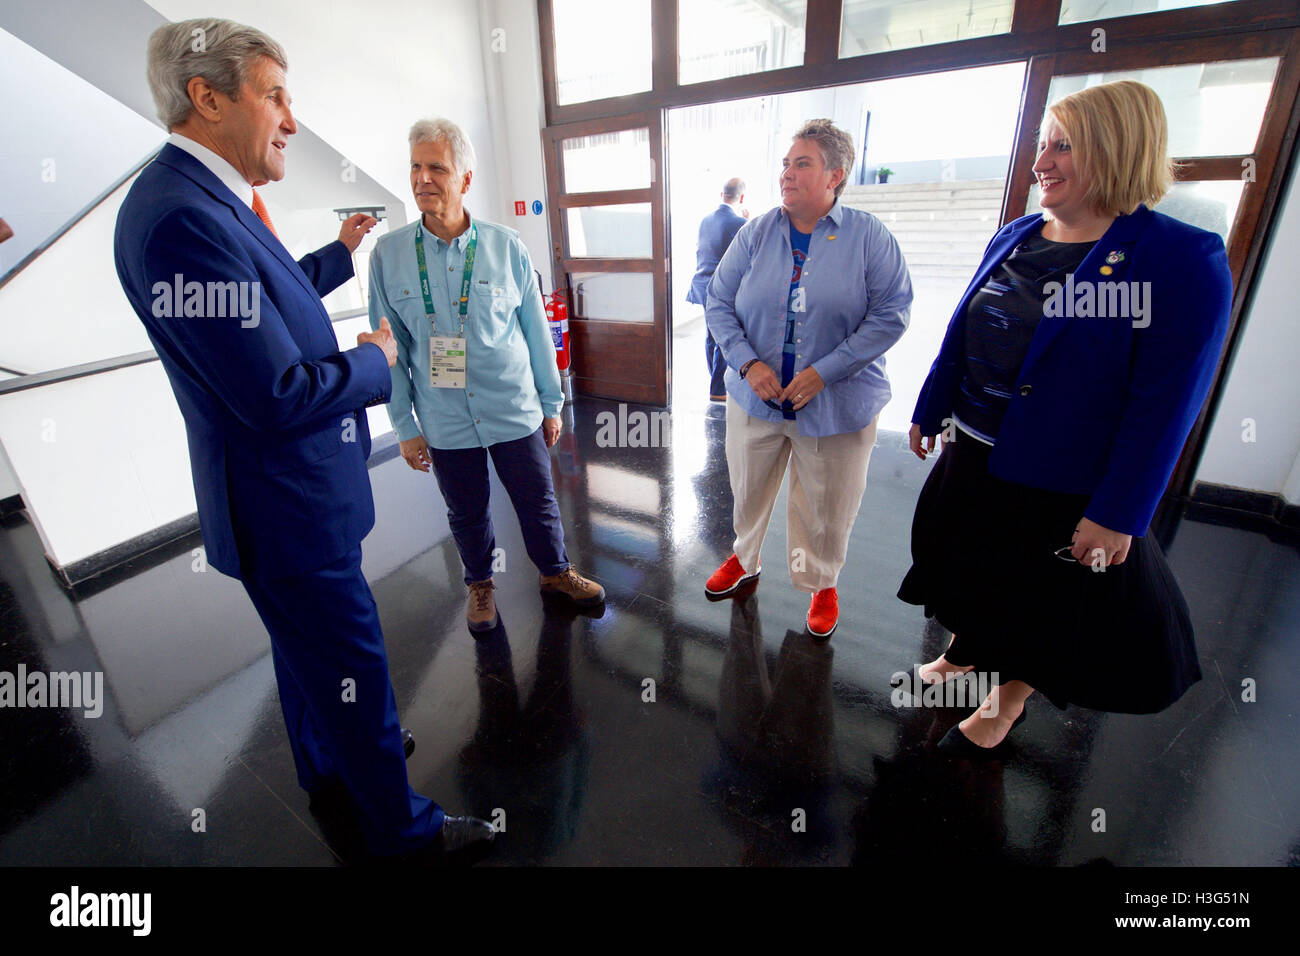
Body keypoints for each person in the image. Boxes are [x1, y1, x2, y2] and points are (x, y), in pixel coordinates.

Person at [113, 18, 494, 859]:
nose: (291, 118)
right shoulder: (181, 220)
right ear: (207, 99)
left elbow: (275, 298)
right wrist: (375, 361)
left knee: (303, 651)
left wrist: (341, 252)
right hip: (284, 502)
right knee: (349, 657)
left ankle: (329, 766)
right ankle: (404, 831)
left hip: (286, 496)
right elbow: (278, 394)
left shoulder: (208, 203)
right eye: (276, 95)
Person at [897, 80, 1232, 756]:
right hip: (976, 449)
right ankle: (963, 657)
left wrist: (1118, 514)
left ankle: (1008, 699)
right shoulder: (1018, 234)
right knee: (970, 566)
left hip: (1062, 479)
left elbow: (1166, 404)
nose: (1041, 161)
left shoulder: (1177, 260)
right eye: (1042, 145)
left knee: (1036, 596)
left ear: (1117, 148)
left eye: (1063, 145)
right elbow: (965, 330)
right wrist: (933, 406)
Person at [369, 117, 604, 632]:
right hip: (444, 415)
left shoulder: (505, 247)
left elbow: (537, 333)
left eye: (436, 167)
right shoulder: (388, 256)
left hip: (512, 406)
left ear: (465, 179)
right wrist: (404, 428)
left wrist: (551, 403)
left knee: (538, 500)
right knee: (466, 511)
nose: (422, 179)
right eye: (415, 166)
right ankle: (480, 585)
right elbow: (391, 351)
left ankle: (556, 572)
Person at [705, 119, 912, 639]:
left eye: (802, 164)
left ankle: (823, 583)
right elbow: (719, 302)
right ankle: (744, 557)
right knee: (747, 488)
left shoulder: (868, 237)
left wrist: (827, 371)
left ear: (834, 176)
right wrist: (748, 363)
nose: (787, 174)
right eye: (785, 163)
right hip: (758, 398)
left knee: (827, 502)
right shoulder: (756, 233)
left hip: (838, 404)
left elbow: (892, 313)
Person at [688, 178, 748, 401]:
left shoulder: (705, 220)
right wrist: (746, 221)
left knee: (711, 335)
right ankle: (718, 389)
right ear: (741, 198)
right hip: (722, 288)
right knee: (725, 335)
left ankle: (714, 379)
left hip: (702, 284)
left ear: (722, 195)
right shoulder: (739, 222)